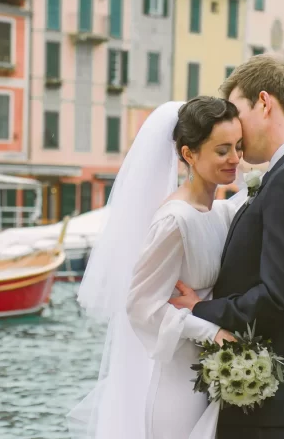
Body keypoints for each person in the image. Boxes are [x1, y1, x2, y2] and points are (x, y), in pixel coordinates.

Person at [170, 55, 284, 439]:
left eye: (237, 111)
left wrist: (198, 308)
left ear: (264, 103)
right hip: (280, 402)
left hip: (271, 409)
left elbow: (278, 301)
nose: (234, 129)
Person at [66, 96, 246, 439]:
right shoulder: (174, 222)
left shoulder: (218, 212)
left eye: (238, 147)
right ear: (189, 154)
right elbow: (140, 305)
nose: (235, 159)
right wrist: (211, 332)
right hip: (179, 387)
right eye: (222, 150)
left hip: (213, 377)